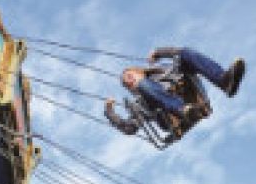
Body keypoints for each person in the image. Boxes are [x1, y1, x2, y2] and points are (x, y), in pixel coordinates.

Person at [104, 47, 244, 138]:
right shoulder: (142, 104)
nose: (128, 80)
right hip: (171, 119)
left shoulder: (167, 72)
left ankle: (224, 82)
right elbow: (129, 128)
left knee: (185, 53)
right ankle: (181, 110)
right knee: (145, 87)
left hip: (192, 97)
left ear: (139, 71)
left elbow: (178, 54)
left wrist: (160, 52)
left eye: (129, 75)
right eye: (125, 83)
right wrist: (109, 112)